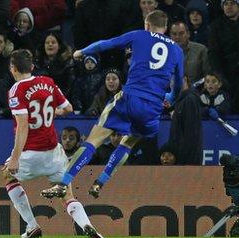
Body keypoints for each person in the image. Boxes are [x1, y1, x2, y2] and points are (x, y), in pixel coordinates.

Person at [41, 10, 184, 199]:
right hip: (153, 108)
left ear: (147, 25)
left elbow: (105, 44)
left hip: (130, 97)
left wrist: (82, 52)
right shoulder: (177, 50)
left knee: (95, 139)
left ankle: (64, 183)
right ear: (165, 28)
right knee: (128, 143)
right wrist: (171, 98)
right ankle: (100, 182)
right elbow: (179, 82)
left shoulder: (139, 35)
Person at [2, 49, 106, 238]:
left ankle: (32, 225)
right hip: (54, 152)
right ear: (32, 67)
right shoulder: (47, 82)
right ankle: (86, 225)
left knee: (7, 175)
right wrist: (50, 112)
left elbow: (23, 125)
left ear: (13, 68)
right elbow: (68, 109)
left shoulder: (17, 90)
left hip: (31, 152)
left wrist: (15, 157)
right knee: (67, 193)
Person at [208, 0, 239, 113]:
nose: (229, 7)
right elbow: (213, 53)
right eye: (226, 4)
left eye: (232, 3)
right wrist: (219, 76)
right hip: (226, 75)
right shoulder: (216, 26)